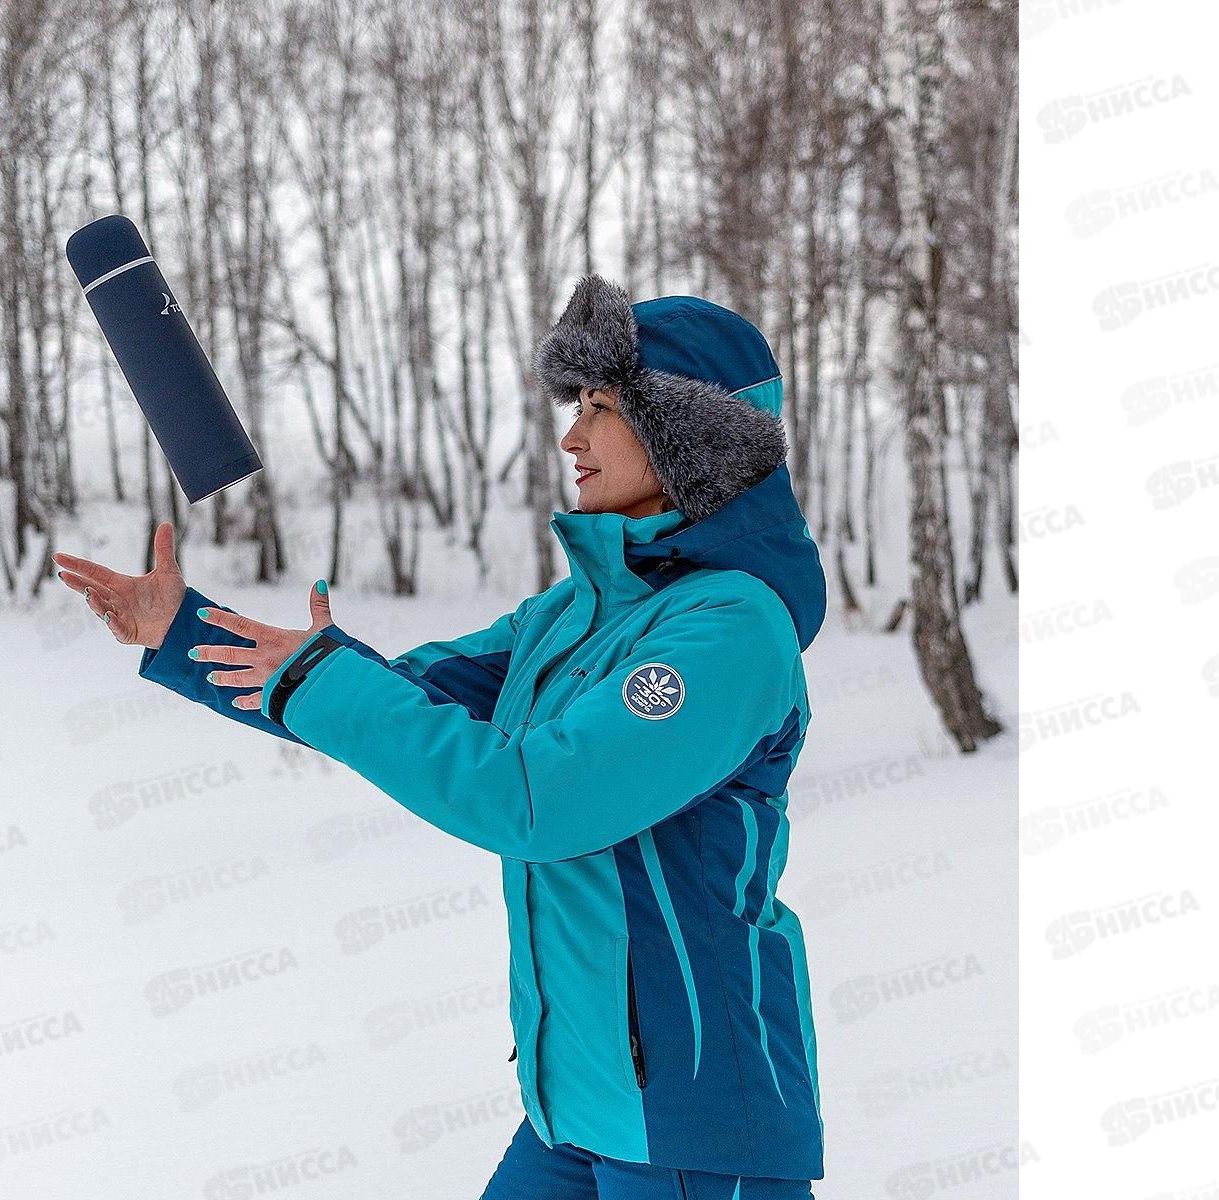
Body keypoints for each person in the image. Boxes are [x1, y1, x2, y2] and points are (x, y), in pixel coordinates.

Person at [54, 275, 827, 1200]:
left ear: (687, 435)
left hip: (696, 1128)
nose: (573, 436)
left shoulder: (730, 631)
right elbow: (389, 699)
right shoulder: (574, 614)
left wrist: (321, 681)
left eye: (604, 408)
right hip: (576, 1106)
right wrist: (183, 631)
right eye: (576, 405)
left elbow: (534, 802)